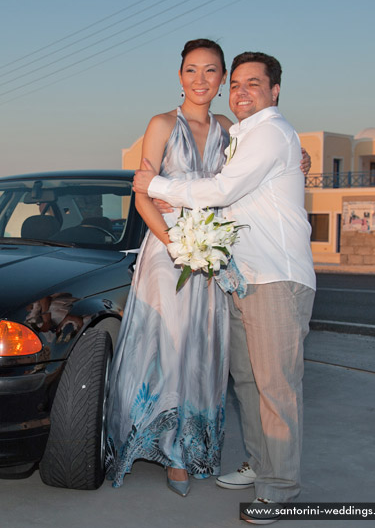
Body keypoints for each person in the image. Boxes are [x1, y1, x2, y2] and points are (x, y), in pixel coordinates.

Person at [133, 51, 316, 524]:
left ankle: (280, 489)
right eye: (237, 83)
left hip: (276, 276)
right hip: (240, 276)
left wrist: (158, 185)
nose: (242, 91)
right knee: (249, 380)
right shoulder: (244, 135)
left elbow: (220, 192)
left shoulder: (271, 133)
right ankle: (260, 464)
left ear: (275, 91)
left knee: (276, 385)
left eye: (253, 83)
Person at [105, 38, 234, 497]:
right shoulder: (161, 124)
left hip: (213, 253)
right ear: (179, 76)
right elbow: (142, 194)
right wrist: (177, 244)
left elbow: (247, 179)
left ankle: (194, 443)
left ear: (222, 79)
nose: (200, 80)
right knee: (170, 348)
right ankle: (171, 453)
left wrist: (302, 159)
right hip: (168, 251)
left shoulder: (229, 128)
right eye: (191, 70)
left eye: (211, 71)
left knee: (204, 347)